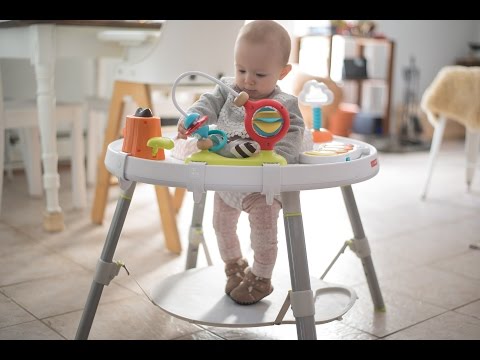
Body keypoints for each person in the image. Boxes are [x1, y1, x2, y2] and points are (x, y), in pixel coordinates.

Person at [177, 20, 305, 305]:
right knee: (221, 226)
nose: (247, 80)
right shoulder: (227, 90)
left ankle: (261, 277)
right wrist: (191, 119)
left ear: (282, 72)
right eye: (241, 69)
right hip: (226, 180)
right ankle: (234, 266)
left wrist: (277, 156)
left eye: (260, 74)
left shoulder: (284, 104)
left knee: (263, 230)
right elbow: (206, 103)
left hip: (261, 186)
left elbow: (294, 133)